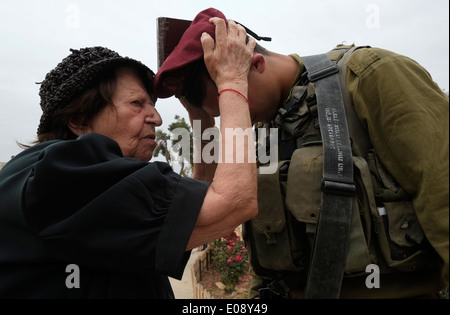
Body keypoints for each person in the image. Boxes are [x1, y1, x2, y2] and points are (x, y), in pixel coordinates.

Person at [153, 8, 449, 299]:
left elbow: (441, 191)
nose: (241, 119)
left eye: (238, 103)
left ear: (256, 64)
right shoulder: (266, 131)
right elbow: (267, 251)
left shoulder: (368, 75)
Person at [0, 19, 258, 298]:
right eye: (137, 104)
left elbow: (196, 212)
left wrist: (200, 118)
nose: (157, 118)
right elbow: (234, 202)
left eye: (152, 105)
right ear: (78, 119)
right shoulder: (63, 173)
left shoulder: (47, 173)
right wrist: (232, 81)